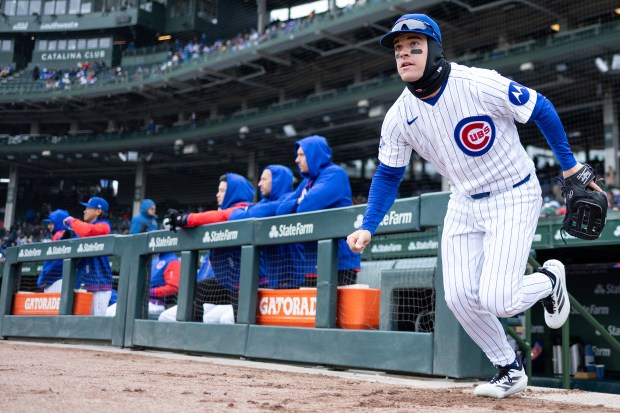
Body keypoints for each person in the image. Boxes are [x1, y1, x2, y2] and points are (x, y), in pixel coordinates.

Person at [345, 14, 604, 399]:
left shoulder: (477, 83)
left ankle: (550, 281)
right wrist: (369, 223)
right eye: (398, 50)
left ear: (433, 50)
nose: (403, 55)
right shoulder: (399, 116)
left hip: (513, 192)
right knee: (459, 297)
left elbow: (540, 107)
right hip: (464, 200)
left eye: (413, 46)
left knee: (498, 299)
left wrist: (569, 166)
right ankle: (509, 368)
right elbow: (387, 175)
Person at [163, 173, 255, 323]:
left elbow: (219, 217)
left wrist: (185, 218)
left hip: (249, 285)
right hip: (228, 283)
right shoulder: (224, 211)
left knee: (234, 322)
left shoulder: (244, 210)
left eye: (223, 190)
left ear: (233, 192)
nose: (217, 194)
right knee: (196, 290)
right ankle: (193, 334)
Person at [277, 135, 361, 286]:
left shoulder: (335, 174)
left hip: (339, 262)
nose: (297, 160)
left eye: (302, 155)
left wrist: (298, 202)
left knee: (338, 310)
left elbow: (307, 206)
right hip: (311, 260)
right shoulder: (306, 182)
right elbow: (280, 210)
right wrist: (298, 200)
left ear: (314, 154)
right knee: (313, 309)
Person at [229, 165, 303, 288]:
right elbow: (234, 216)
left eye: (264, 179)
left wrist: (250, 210)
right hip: (274, 279)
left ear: (276, 181)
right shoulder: (264, 203)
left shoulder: (288, 200)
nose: (259, 184)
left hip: (295, 279)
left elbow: (257, 212)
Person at [64, 197, 114, 316]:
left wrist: (72, 221)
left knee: (98, 324)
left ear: (98, 211)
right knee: (78, 322)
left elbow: (88, 232)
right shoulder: (80, 228)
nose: (84, 211)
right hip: (81, 282)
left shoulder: (104, 225)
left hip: (100, 285)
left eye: (88, 208)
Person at [37, 209, 72, 292]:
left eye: (51, 223)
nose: (49, 226)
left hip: (56, 280)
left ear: (59, 223)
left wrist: (46, 274)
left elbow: (63, 237)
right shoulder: (57, 235)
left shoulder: (60, 234)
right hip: (56, 280)